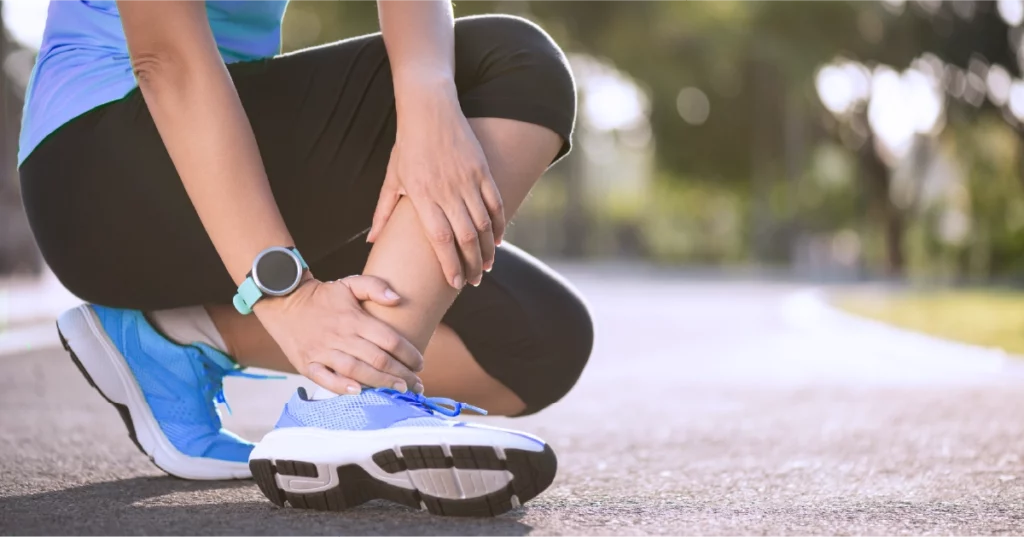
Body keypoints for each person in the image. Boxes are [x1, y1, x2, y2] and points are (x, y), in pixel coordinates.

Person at [18, 0, 593, 517]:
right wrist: (286, 297)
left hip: (224, 163)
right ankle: (352, 408)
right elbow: (165, 57)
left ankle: (174, 334)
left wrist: (429, 109)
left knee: (537, 339)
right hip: (101, 173)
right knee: (513, 60)